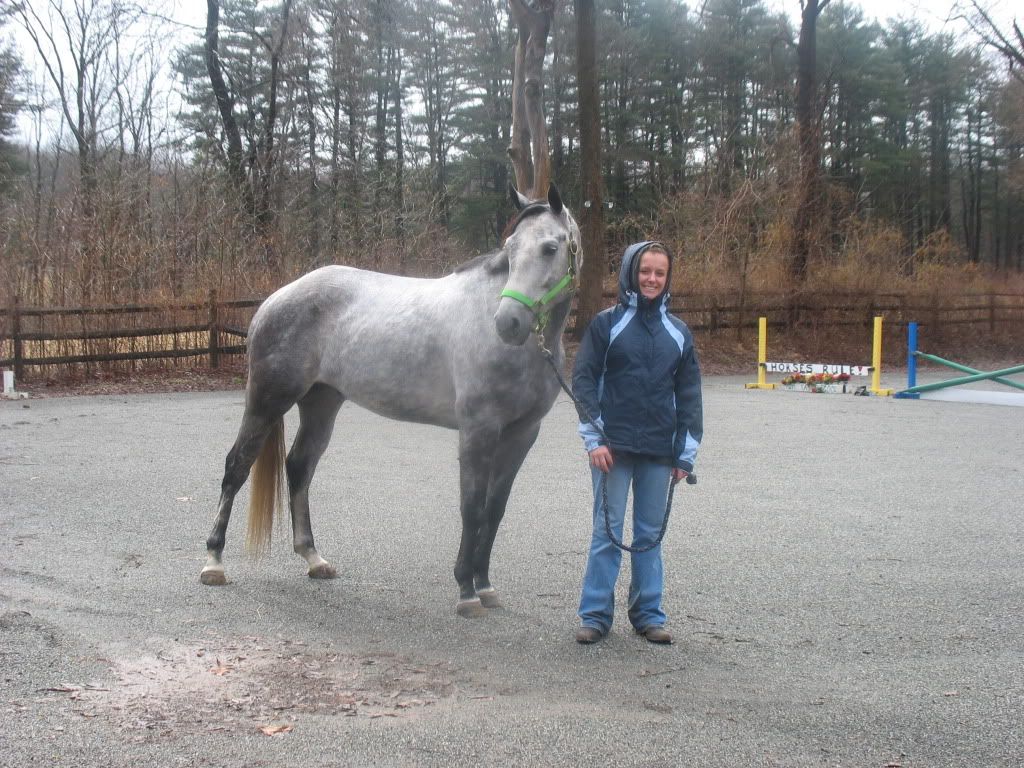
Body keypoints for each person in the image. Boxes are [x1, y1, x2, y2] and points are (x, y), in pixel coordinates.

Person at [571, 241, 703, 645]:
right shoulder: (606, 324)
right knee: (606, 532)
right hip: (612, 448)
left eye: (659, 273)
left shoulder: (678, 333)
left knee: (649, 536)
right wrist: (594, 438)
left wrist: (685, 454)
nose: (651, 279)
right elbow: (584, 381)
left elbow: (690, 395)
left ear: (667, 279)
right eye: (645, 271)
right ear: (631, 272)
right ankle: (594, 615)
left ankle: (648, 615)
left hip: (659, 452)